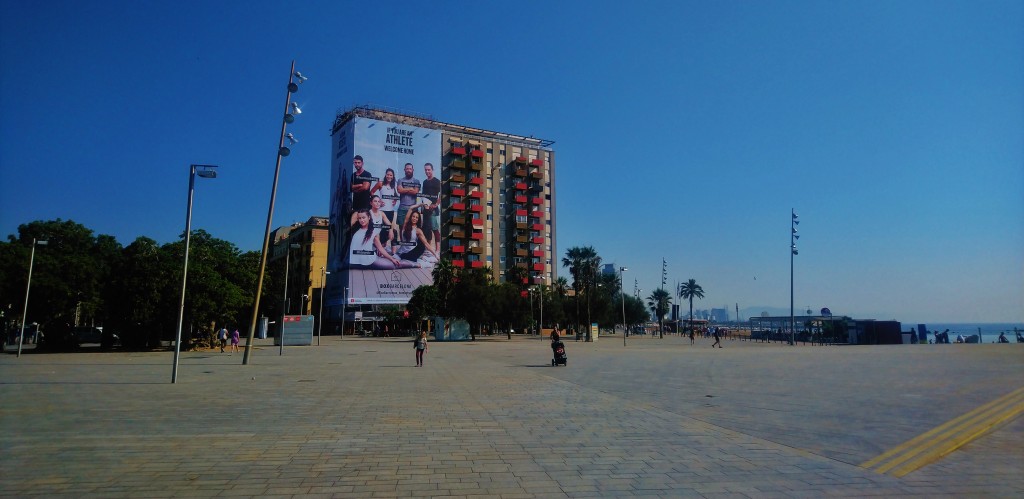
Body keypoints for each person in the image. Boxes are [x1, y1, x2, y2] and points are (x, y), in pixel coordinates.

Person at [348, 210, 413, 269]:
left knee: (394, 264)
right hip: (354, 262)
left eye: (364, 217)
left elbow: (380, 248)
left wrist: (391, 259)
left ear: (369, 218)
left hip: (369, 261)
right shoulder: (355, 229)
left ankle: (417, 264)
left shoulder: (373, 231)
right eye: (359, 218)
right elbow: (355, 214)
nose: (361, 220)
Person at [420, 163, 442, 251]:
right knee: (426, 230)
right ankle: (427, 249)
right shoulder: (424, 182)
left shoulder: (437, 181)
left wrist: (436, 204)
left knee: (435, 230)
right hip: (426, 209)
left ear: (432, 170)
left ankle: (437, 250)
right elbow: (423, 195)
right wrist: (423, 206)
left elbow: (441, 194)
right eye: (425, 170)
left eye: (429, 169)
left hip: (434, 210)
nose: (427, 171)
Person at [396, 163, 420, 232]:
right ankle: (402, 242)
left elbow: (415, 192)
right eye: (407, 169)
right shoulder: (400, 180)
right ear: (404, 170)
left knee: (413, 228)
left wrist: (404, 189)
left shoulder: (416, 181)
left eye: (410, 169)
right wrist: (410, 188)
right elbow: (399, 190)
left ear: (413, 170)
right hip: (402, 208)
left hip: (413, 209)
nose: (408, 170)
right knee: (401, 228)